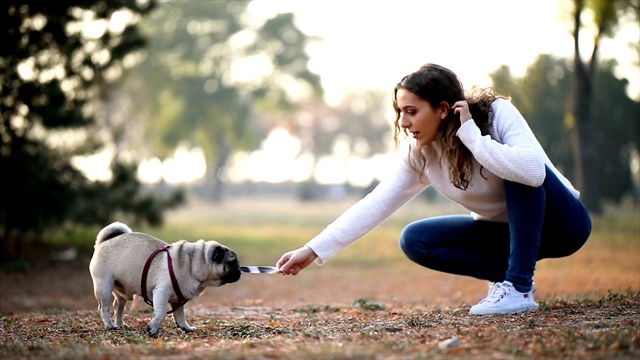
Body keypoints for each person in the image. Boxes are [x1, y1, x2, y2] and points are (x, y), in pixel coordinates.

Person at [276, 63, 592, 315]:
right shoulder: (421, 155)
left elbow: (534, 172)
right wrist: (313, 249)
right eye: (400, 112)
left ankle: (519, 287)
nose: (402, 121)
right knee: (416, 239)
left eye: (411, 111)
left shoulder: (496, 116)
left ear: (442, 109)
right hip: (507, 234)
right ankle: (509, 277)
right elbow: (374, 204)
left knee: (515, 169)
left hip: (563, 224)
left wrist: (472, 137)